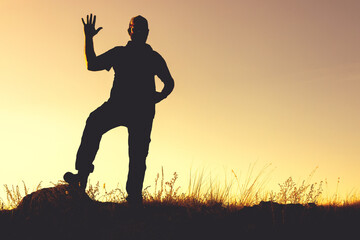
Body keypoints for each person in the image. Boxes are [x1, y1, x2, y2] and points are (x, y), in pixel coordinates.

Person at [63, 14, 174, 206]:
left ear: (147, 33)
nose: (138, 32)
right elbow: (92, 64)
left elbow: (169, 83)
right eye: (134, 28)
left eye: (142, 29)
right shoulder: (120, 53)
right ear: (129, 31)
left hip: (142, 112)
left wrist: (158, 97)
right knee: (93, 122)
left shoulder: (153, 58)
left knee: (138, 155)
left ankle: (134, 199)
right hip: (118, 106)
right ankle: (81, 178)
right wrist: (88, 38)